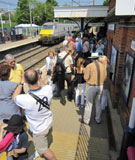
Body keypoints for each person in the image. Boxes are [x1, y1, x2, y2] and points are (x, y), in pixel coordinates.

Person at [12, 69, 57, 160]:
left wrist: (21, 83)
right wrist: (40, 78)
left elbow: (14, 97)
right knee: (46, 136)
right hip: (48, 122)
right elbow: (44, 85)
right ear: (37, 77)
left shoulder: (25, 99)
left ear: (26, 81)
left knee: (43, 150)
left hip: (38, 129)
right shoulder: (48, 89)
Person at [79, 53, 107, 125]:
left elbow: (85, 77)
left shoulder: (89, 66)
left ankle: (86, 120)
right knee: (98, 103)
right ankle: (98, 119)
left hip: (92, 86)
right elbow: (105, 78)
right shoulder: (103, 66)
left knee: (89, 104)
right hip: (100, 86)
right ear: (97, 58)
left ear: (91, 58)